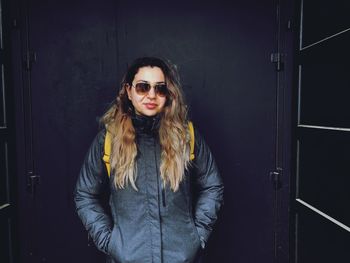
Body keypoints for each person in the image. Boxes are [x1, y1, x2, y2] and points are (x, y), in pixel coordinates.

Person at [74, 57, 224, 263]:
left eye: (160, 88)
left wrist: (196, 238)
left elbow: (212, 185)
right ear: (129, 90)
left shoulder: (186, 136)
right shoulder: (109, 139)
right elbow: (84, 194)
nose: (151, 95)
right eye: (143, 87)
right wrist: (110, 242)